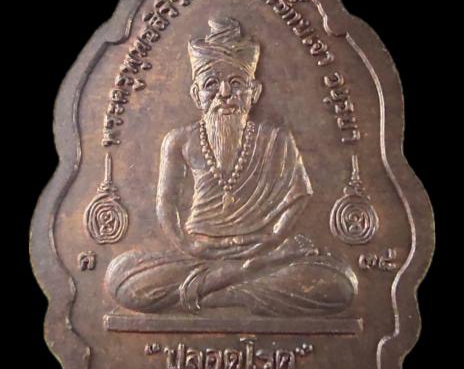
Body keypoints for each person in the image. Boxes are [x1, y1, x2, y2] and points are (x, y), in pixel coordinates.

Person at [105, 17, 357, 315]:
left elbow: (296, 198)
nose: (224, 93)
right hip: (199, 254)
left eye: (236, 84)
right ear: (196, 95)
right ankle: (241, 281)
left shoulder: (277, 139)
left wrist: (272, 241)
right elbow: (167, 204)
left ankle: (209, 292)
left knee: (339, 283)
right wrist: (188, 245)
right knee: (124, 280)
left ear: (254, 92)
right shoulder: (179, 140)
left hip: (261, 248)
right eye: (211, 84)